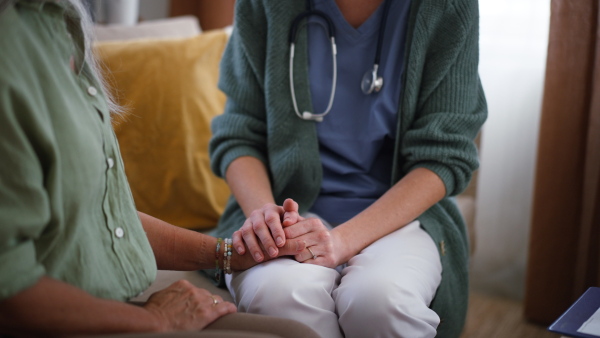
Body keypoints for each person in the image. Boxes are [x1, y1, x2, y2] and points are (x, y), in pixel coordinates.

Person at [0, 1, 320, 337]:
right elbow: (10, 292)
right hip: (69, 318)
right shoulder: (12, 52)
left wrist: (227, 253)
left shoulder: (54, 22)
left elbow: (105, 219)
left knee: (294, 332)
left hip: (112, 305)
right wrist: (156, 320)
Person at [208, 0, 488, 337]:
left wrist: (341, 241)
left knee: (381, 303)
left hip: (400, 217)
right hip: (285, 209)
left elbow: (444, 157)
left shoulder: (447, 7)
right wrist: (265, 220)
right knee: (279, 296)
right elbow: (239, 133)